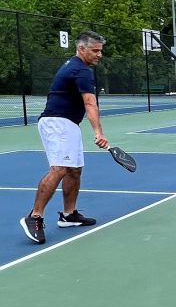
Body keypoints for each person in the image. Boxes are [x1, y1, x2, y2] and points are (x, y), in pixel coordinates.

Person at [20, 31, 110, 244]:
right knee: (59, 169)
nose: (99, 55)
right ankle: (34, 216)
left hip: (67, 124)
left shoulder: (77, 66)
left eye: (100, 51)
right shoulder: (81, 70)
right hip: (57, 123)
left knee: (74, 170)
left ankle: (69, 215)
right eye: (95, 50)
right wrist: (98, 132)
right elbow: (90, 103)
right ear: (82, 49)